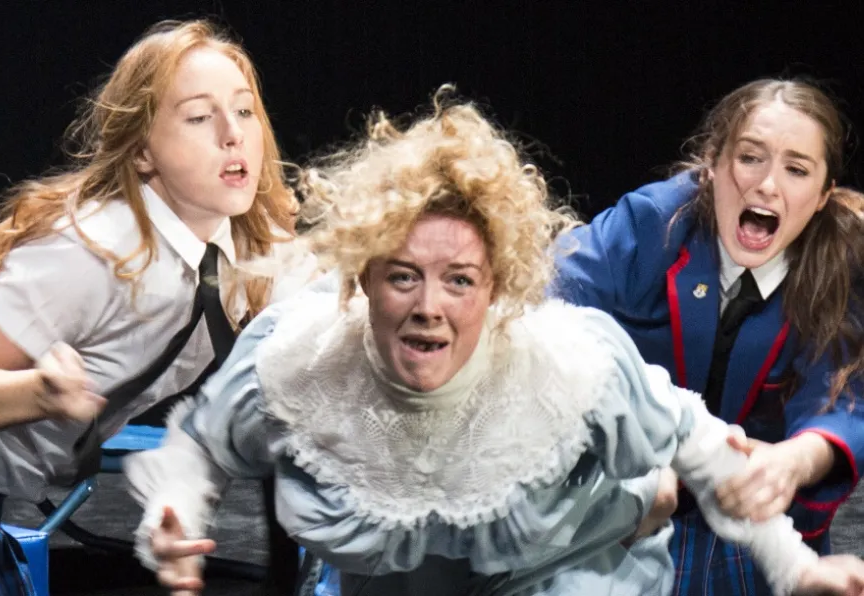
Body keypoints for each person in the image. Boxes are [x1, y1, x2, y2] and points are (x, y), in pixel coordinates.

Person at [125, 90, 864, 596]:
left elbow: (703, 444)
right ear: (362, 279)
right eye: (403, 277)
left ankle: (634, 498)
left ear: (498, 290)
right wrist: (174, 512)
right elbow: (199, 443)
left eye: (459, 282)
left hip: (562, 571)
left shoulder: (565, 358)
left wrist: (796, 569)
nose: (429, 309)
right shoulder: (302, 354)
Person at [0, 19, 314, 595]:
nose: (233, 134)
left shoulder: (251, 248)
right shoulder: (89, 251)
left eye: (245, 111)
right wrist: (35, 393)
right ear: (143, 152)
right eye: (199, 117)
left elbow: (343, 322)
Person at [550, 78, 864, 595]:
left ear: (823, 195)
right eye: (750, 158)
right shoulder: (650, 223)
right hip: (633, 508)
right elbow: (546, 303)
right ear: (711, 164)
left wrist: (794, 460)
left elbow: (841, 398)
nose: (768, 185)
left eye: (796, 169)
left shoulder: (839, 267)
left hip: (754, 517)